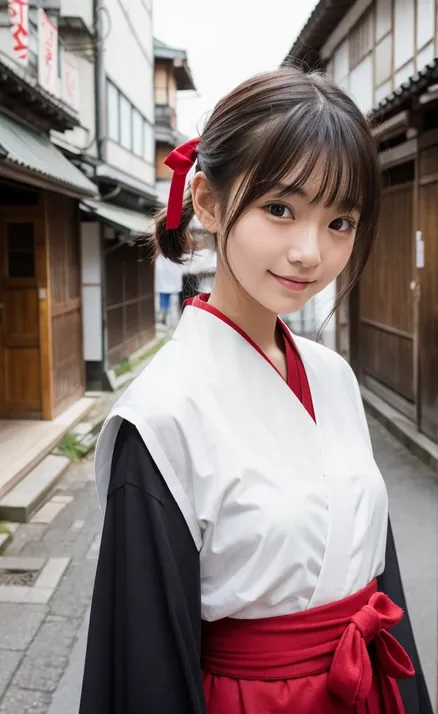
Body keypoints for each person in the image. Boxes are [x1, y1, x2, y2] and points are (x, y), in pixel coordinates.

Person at [79, 68, 433, 714]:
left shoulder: (332, 378)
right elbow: (145, 668)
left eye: (340, 222)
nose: (310, 252)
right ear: (209, 203)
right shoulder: (162, 418)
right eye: (280, 209)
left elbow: (381, 589)